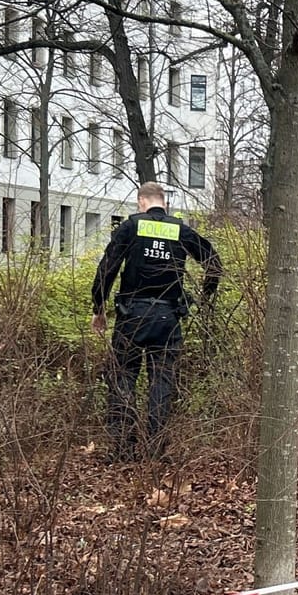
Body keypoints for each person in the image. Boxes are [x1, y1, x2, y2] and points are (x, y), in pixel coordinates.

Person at [91, 181, 222, 460]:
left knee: (123, 378)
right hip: (168, 318)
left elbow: (108, 267)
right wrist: (206, 298)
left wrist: (99, 307)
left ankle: (124, 450)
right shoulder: (180, 230)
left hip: (131, 317)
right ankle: (155, 450)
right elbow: (213, 262)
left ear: (141, 202)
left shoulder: (129, 228)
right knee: (161, 383)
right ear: (164, 202)